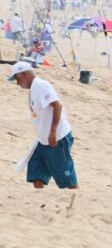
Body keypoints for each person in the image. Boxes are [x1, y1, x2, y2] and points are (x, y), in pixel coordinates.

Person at [8, 61, 78, 189]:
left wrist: (53, 132)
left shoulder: (41, 85)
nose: (17, 83)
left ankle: (77, 202)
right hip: (42, 141)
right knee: (36, 172)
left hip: (57, 139)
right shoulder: (33, 89)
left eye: (17, 79)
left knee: (66, 176)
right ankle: (40, 203)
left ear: (24, 74)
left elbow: (57, 105)